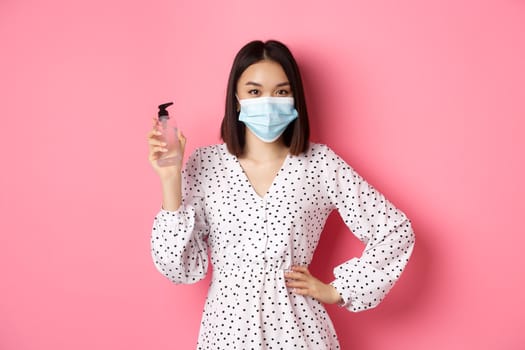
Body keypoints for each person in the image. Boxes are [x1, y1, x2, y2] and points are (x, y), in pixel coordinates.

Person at [147, 39, 415, 349]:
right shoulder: (206, 163)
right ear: (236, 99)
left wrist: (338, 290)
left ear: (294, 99)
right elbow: (178, 267)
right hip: (226, 334)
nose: (268, 101)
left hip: (299, 332)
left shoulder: (320, 163)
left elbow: (395, 230)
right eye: (255, 91)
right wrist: (170, 180)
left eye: (282, 91)